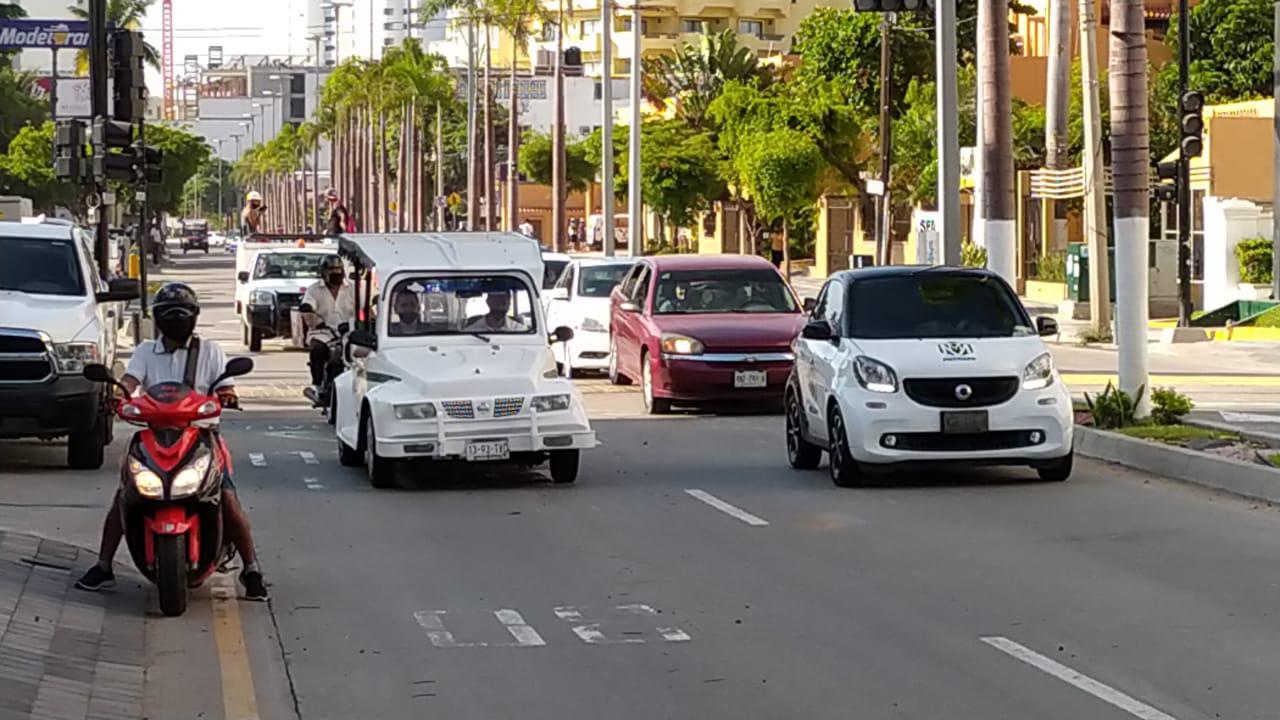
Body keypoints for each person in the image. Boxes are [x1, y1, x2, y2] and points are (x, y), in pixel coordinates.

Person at [76, 283, 268, 600]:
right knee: (125, 495)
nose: (177, 321)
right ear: (158, 319)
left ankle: (251, 569)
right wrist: (117, 394)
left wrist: (227, 395)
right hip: (153, 435)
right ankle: (103, 564)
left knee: (228, 498)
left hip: (202, 436)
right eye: (170, 315)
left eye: (183, 314)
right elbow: (130, 381)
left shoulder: (211, 352)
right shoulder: (145, 351)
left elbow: (226, 387)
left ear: (194, 317)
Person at [301, 255, 356, 392]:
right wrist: (310, 311)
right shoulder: (314, 290)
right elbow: (308, 305)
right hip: (323, 332)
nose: (336, 272)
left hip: (349, 332)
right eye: (331, 269)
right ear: (323, 272)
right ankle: (318, 385)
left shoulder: (353, 288)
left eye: (338, 268)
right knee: (317, 349)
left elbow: (366, 307)